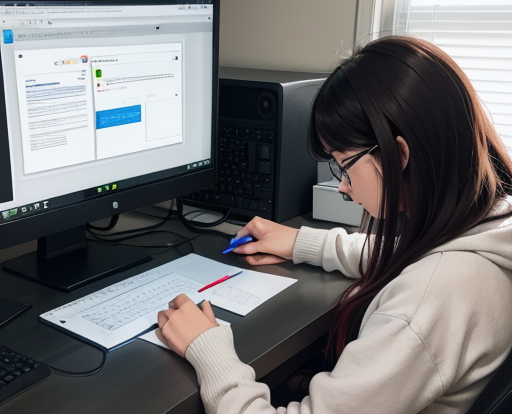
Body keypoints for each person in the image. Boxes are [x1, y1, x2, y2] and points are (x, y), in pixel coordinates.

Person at [157, 35, 512, 414]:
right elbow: (411, 252)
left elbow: (425, 275)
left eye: (344, 165)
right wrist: (303, 243)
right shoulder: (491, 226)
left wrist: (210, 350)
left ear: (399, 154)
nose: (342, 185)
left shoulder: (430, 299)